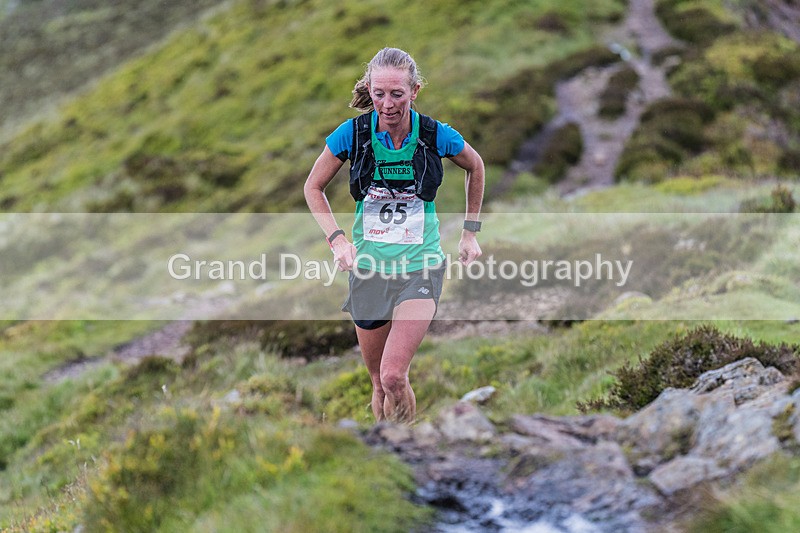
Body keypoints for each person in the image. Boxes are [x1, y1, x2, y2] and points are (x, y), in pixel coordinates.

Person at [304, 47, 484, 423]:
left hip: (420, 268)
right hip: (368, 272)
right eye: (379, 93)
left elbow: (475, 165)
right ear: (369, 89)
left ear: (414, 91)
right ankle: (388, 452)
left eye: (397, 94)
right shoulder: (351, 134)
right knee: (377, 382)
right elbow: (313, 187)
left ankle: (410, 447)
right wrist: (337, 239)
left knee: (393, 375)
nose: (387, 104)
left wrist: (470, 232)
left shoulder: (435, 134)